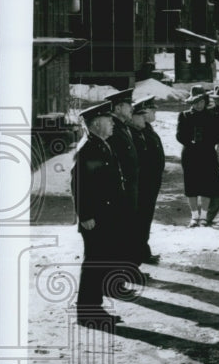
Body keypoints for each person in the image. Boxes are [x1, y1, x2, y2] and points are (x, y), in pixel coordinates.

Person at [71, 101, 127, 325]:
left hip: (105, 215)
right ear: (96, 123)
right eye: (108, 120)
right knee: (93, 263)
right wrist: (85, 215)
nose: (113, 123)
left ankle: (94, 307)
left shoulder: (101, 143)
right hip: (94, 217)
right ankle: (87, 312)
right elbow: (79, 185)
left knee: (100, 261)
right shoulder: (88, 148)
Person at [177, 86, 219, 226]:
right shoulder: (184, 115)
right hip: (190, 153)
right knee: (191, 186)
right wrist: (190, 142)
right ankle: (194, 216)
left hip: (207, 153)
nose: (199, 104)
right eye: (195, 101)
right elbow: (179, 135)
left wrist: (206, 142)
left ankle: (204, 217)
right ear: (191, 102)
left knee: (206, 186)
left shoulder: (212, 116)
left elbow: (218, 134)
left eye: (201, 101)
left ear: (205, 101)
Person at [105, 89, 140, 259]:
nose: (132, 109)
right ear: (118, 108)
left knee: (129, 228)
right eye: (128, 106)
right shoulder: (113, 129)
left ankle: (129, 268)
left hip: (130, 186)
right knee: (122, 230)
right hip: (122, 188)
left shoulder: (122, 127)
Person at [130, 97, 165, 265]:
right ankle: (137, 256)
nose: (154, 113)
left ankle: (143, 252)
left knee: (145, 219)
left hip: (150, 184)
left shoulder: (146, 129)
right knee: (139, 221)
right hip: (141, 185)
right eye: (152, 111)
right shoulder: (135, 132)